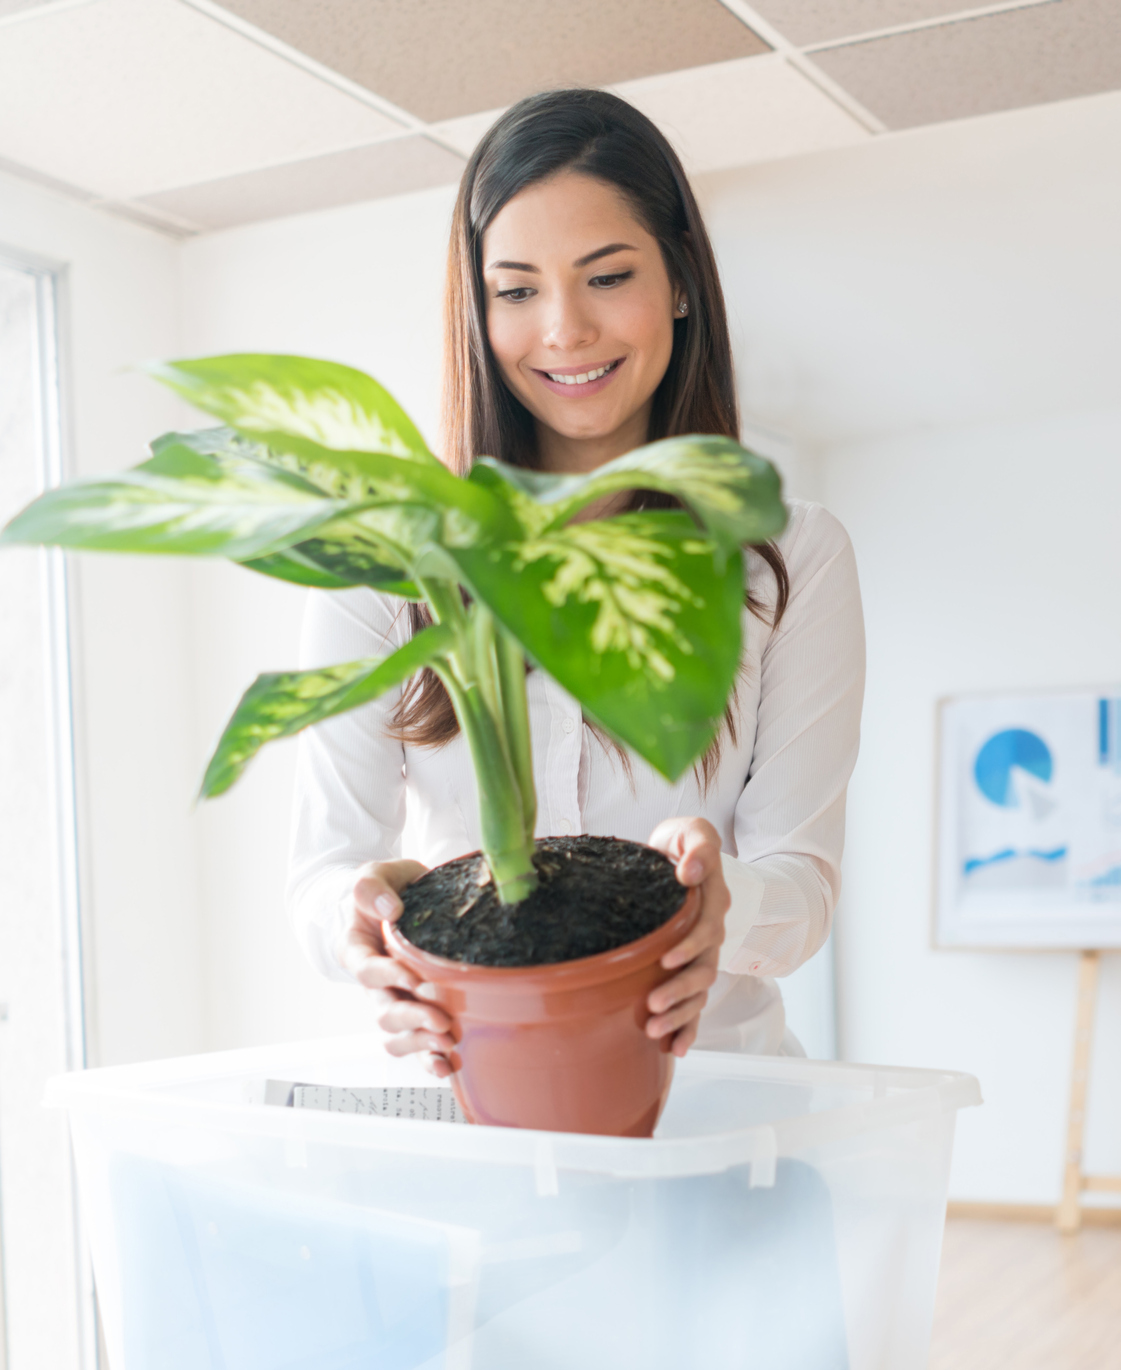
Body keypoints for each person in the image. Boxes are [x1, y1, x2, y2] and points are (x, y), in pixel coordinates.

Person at [285, 89, 864, 1076]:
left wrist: (722, 899)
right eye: (514, 290)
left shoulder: (789, 554)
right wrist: (361, 922)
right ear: (476, 308)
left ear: (679, 280)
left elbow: (801, 890)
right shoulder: (385, 560)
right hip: (473, 1109)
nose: (563, 329)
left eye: (605, 276)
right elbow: (321, 872)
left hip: (713, 1106)